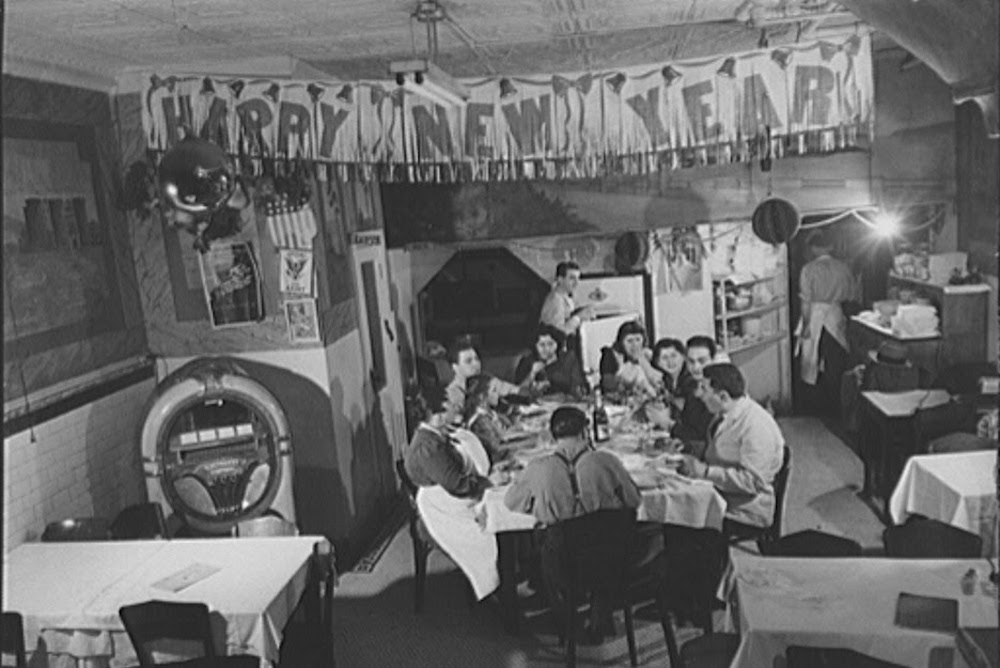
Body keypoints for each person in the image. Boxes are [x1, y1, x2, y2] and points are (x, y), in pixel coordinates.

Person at [505, 406, 646, 641]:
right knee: (608, 544)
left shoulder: (538, 468)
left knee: (547, 543)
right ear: (585, 432)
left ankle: (566, 623)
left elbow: (512, 503)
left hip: (563, 562)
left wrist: (542, 505)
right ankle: (600, 615)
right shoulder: (607, 461)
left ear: (552, 437)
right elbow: (634, 500)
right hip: (609, 559)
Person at [403, 398, 509, 601]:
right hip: (442, 511)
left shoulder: (435, 436)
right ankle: (500, 590)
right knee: (496, 520)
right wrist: (488, 481)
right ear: (437, 415)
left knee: (501, 504)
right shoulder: (428, 447)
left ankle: (508, 574)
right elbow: (457, 485)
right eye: (451, 409)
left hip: (450, 499)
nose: (455, 413)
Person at [677, 363, 785, 530]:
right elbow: (724, 452)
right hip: (722, 494)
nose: (700, 395)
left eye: (704, 389)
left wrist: (706, 472)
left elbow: (753, 482)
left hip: (744, 509)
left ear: (723, 396)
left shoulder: (755, 424)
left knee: (677, 517)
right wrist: (689, 448)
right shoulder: (725, 413)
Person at [797, 229, 857, 415]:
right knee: (835, 362)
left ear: (814, 248)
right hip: (836, 315)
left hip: (815, 316)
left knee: (810, 362)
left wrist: (806, 325)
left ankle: (817, 407)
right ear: (830, 247)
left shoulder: (808, 269)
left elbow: (805, 301)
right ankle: (836, 406)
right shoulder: (843, 267)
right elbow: (851, 295)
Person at [443, 334, 529, 415]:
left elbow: (516, 391)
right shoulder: (451, 394)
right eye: (468, 361)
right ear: (455, 367)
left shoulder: (486, 379)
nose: (476, 364)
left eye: (477, 359)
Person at [513, 324, 587, 397]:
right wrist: (532, 373)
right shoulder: (527, 361)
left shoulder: (568, 358)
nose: (547, 349)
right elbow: (516, 391)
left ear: (557, 344)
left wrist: (578, 390)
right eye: (542, 345)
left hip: (564, 403)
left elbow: (578, 386)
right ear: (535, 346)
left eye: (550, 344)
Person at [538, 261, 595, 345]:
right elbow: (558, 333)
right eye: (572, 278)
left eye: (578, 278)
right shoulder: (556, 300)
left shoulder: (566, 296)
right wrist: (579, 317)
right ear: (560, 279)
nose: (577, 283)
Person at [598, 320, 660, 396]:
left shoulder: (647, 354)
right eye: (629, 341)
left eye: (638, 340)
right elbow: (607, 384)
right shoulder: (611, 355)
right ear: (621, 342)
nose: (635, 345)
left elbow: (660, 381)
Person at [463, 373, 513, 464]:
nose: (498, 394)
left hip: (504, 457)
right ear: (482, 396)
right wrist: (531, 441)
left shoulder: (489, 413)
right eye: (494, 390)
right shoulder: (479, 421)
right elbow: (498, 448)